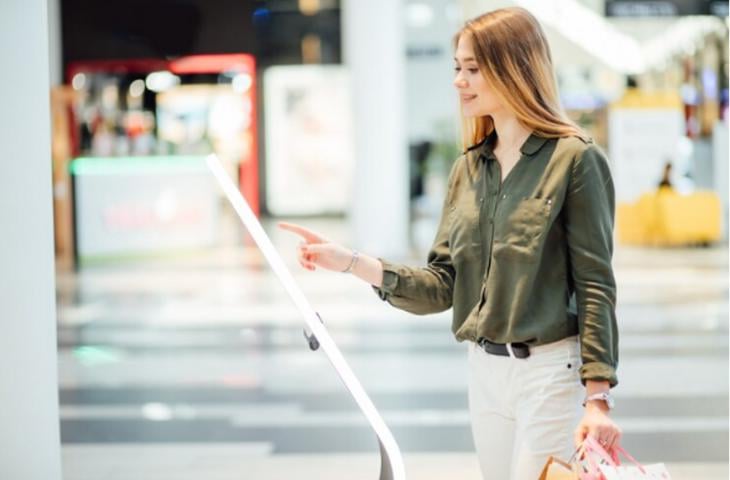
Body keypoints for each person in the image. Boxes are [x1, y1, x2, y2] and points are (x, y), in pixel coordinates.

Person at [279, 7, 620, 479]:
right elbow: (444, 285)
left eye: (473, 69)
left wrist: (597, 396)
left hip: (549, 374)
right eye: (457, 68)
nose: (459, 80)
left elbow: (596, 284)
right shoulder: (467, 170)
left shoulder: (575, 160)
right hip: (483, 372)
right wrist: (351, 262)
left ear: (515, 67)